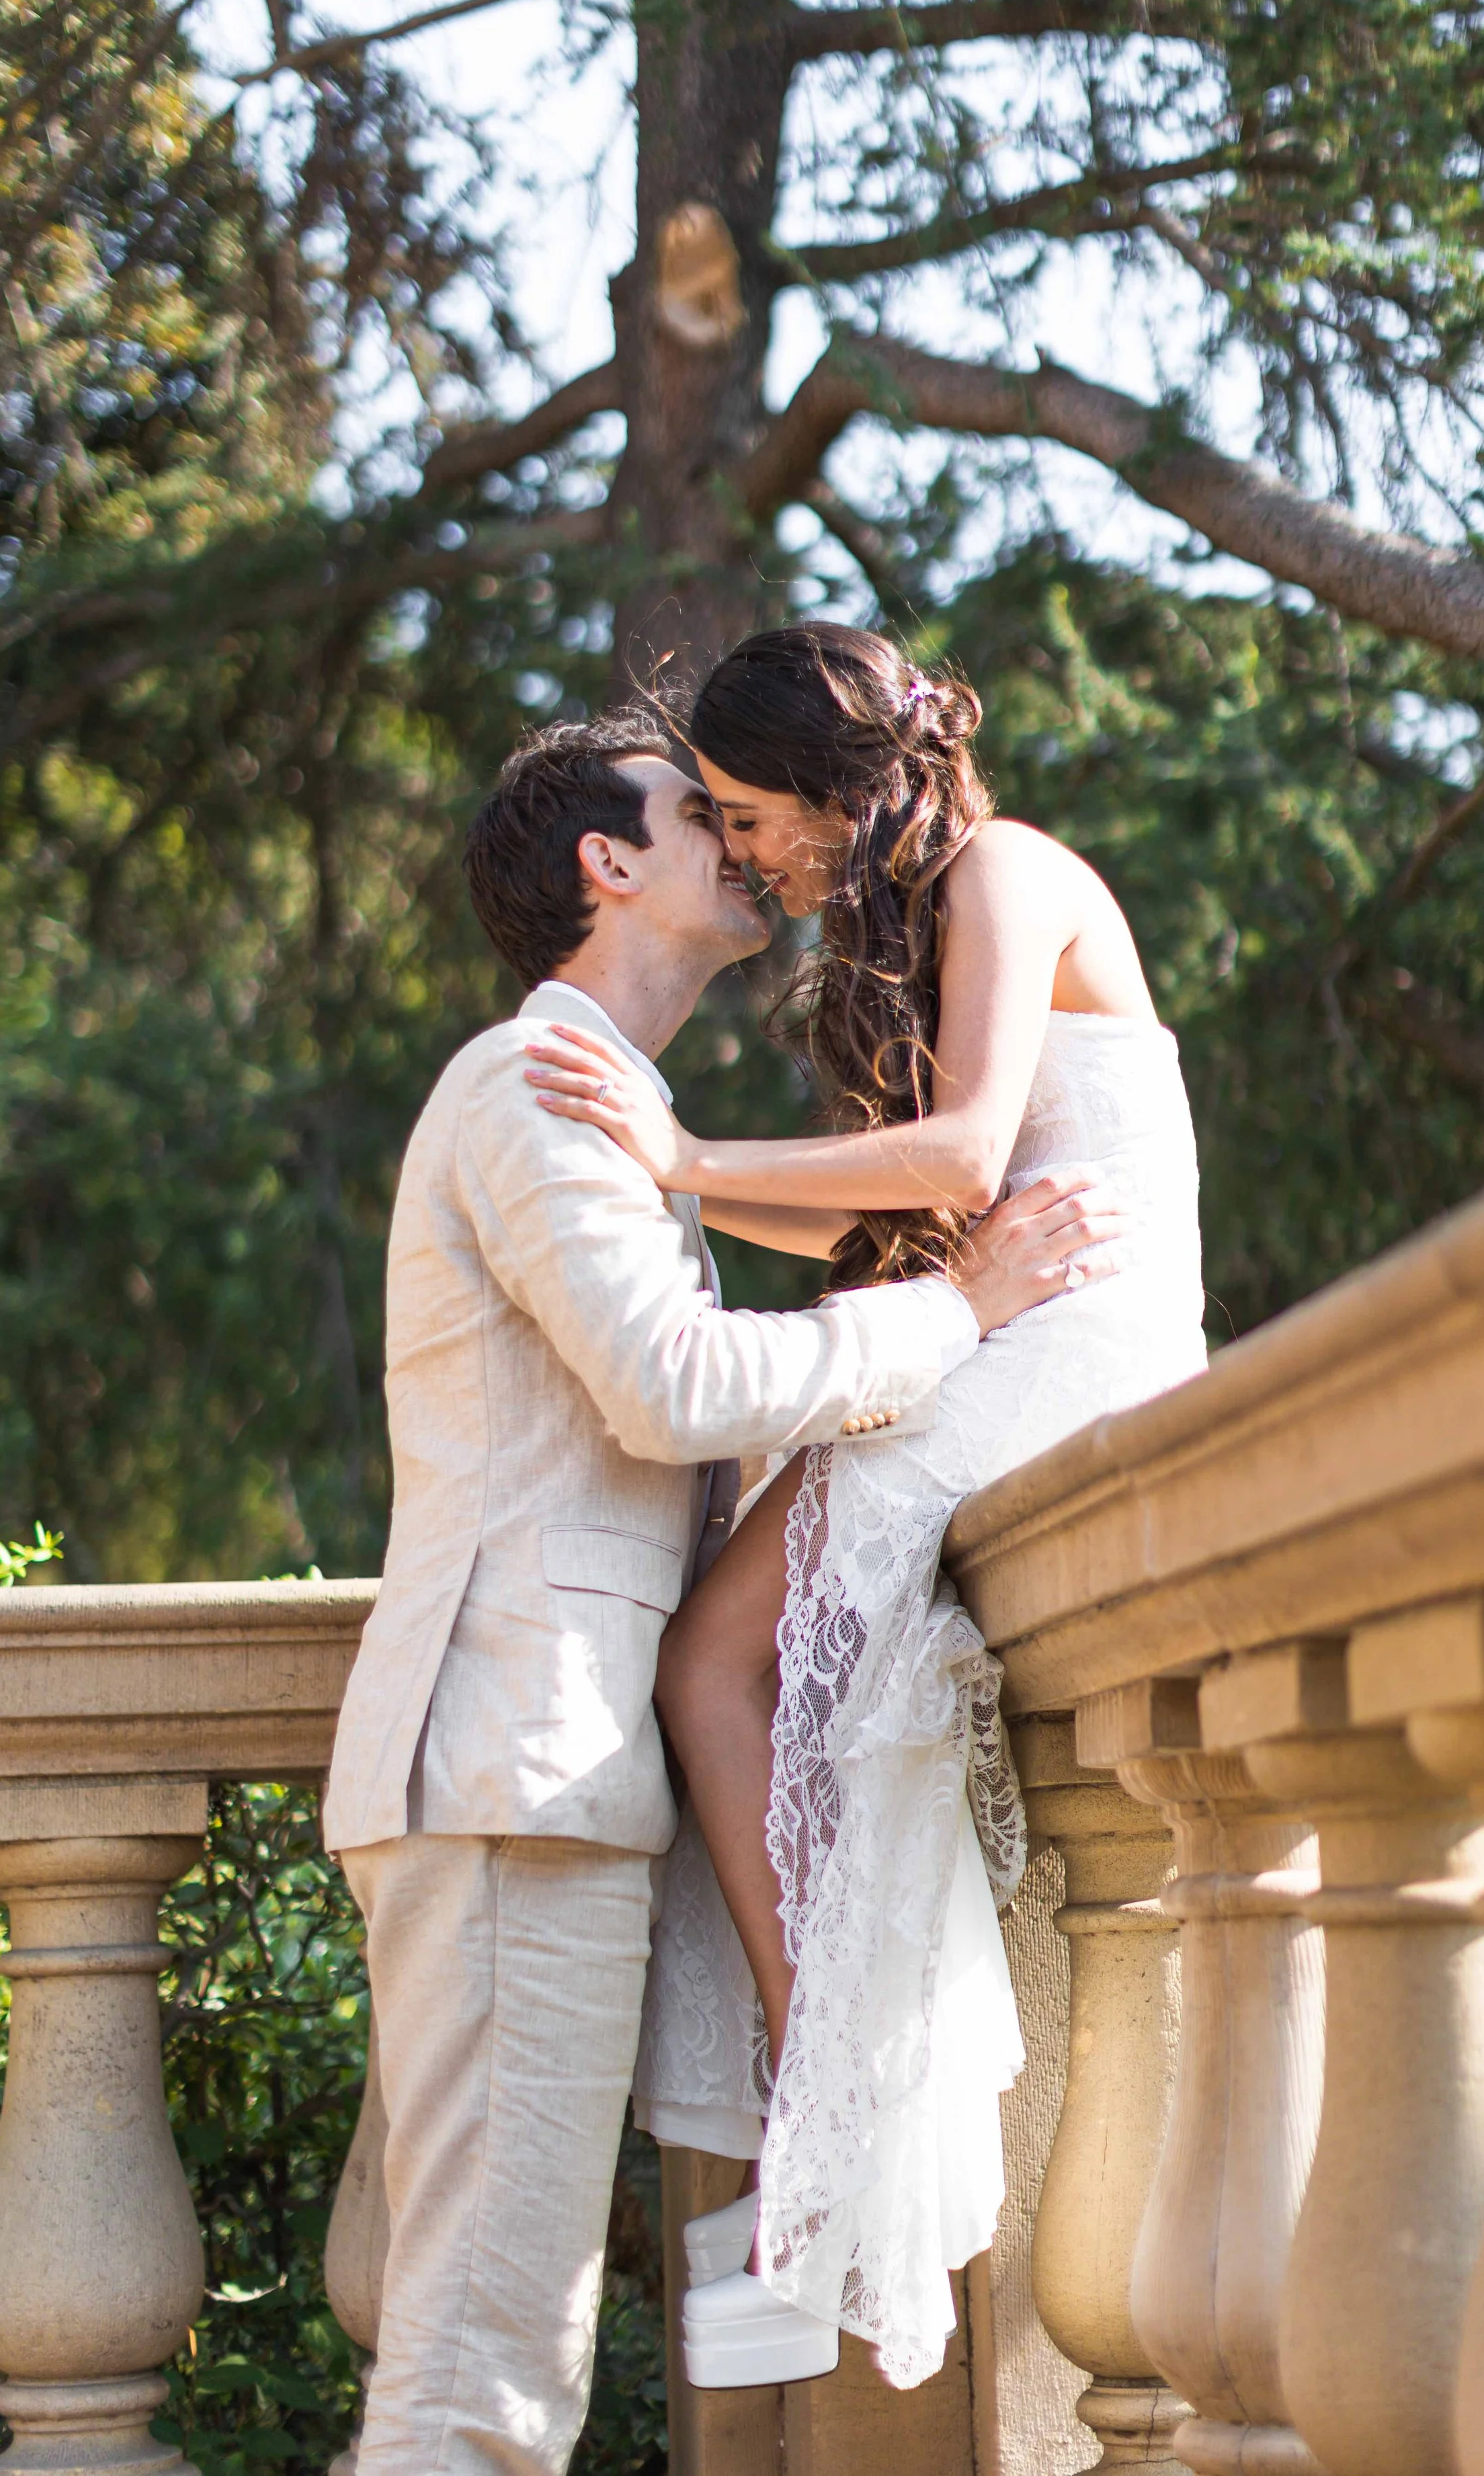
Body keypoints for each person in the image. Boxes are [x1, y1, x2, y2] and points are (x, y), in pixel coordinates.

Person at [323, 707, 1130, 2476]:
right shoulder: (536, 1087)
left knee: (500, 2354)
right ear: (610, 866)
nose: (747, 843)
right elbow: (672, 1388)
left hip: (539, 1776)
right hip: (503, 1773)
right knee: (481, 2369)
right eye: (703, 815)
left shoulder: (612, 1102)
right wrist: (961, 1314)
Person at [520, 624, 1208, 2392]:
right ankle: (817, 2131)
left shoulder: (1005, 869)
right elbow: (883, 1226)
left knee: (712, 1665)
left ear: (836, 787)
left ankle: (817, 2149)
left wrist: (676, 1159)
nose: (743, 852)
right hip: (993, 1323)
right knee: (710, 1670)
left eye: (749, 814)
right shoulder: (906, 922)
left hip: (1077, 1339)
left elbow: (971, 1158)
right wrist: (664, 1179)